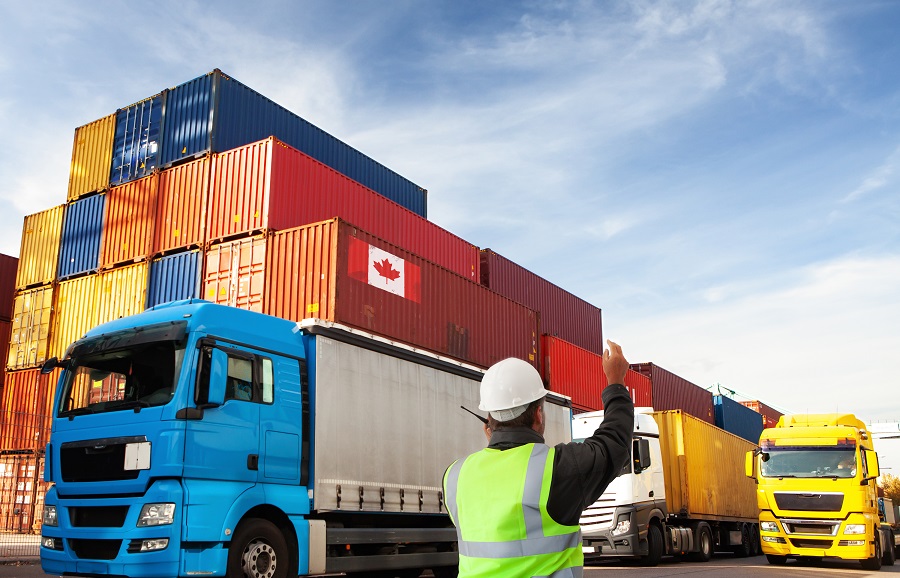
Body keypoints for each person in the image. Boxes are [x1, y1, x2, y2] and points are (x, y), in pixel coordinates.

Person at [443, 340, 634, 577]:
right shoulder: (558, 469)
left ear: (489, 418)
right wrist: (616, 383)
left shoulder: (455, 475)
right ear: (538, 414)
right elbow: (613, 443)